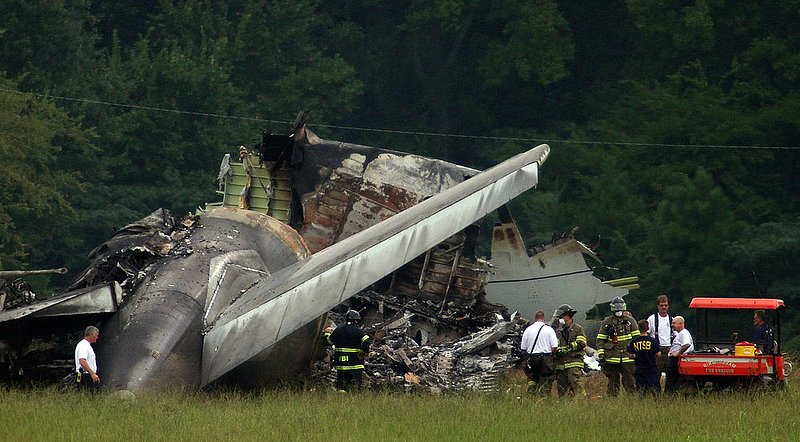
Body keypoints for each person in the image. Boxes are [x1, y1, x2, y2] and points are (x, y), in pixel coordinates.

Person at [595, 296, 637, 396]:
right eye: (616, 308)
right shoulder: (607, 322)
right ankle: (612, 401)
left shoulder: (631, 321)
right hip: (612, 357)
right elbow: (600, 339)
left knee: (630, 381)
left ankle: (633, 400)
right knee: (613, 383)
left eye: (620, 308)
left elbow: (637, 339)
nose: (618, 310)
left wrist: (636, 353)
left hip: (628, 357)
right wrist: (601, 353)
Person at [324, 309, 372, 392]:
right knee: (355, 388)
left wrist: (327, 333)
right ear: (356, 321)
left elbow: (328, 342)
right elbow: (367, 343)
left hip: (341, 365)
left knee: (342, 388)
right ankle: (353, 402)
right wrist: (364, 352)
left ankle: (342, 402)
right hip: (356, 365)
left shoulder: (338, 331)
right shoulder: (359, 332)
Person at [520, 310, 559, 396]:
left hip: (532, 359)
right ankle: (544, 399)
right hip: (545, 359)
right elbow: (555, 346)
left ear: (535, 318)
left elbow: (523, 347)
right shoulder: (549, 330)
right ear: (543, 318)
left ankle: (531, 397)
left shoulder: (528, 330)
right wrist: (552, 357)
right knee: (546, 380)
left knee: (533, 379)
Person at [553, 304, 587, 398]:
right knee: (561, 390)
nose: (560, 318)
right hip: (560, 364)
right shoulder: (558, 330)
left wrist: (569, 347)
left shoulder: (578, 329)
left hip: (574, 362)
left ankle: (583, 404)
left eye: (562, 316)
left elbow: (581, 343)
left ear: (568, 316)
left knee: (577, 385)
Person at [628, 319, 661, 396]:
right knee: (654, 387)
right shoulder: (652, 341)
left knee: (641, 388)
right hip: (651, 368)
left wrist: (634, 356)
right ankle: (657, 401)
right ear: (648, 328)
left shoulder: (634, 341)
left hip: (639, 368)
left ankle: (643, 401)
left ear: (638, 328)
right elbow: (658, 354)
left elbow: (630, 355)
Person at [646, 294, 674, 382]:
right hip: (656, 351)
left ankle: (668, 394)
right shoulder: (652, 319)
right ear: (658, 306)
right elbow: (646, 334)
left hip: (669, 350)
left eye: (666, 305)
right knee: (655, 375)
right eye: (662, 305)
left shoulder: (671, 319)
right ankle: (655, 394)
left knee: (670, 375)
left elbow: (676, 335)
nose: (664, 307)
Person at [665, 315, 693, 393]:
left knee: (672, 379)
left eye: (674, 323)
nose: (672, 325)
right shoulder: (680, 334)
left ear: (680, 324)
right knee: (672, 380)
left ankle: (670, 396)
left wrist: (677, 354)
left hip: (676, 360)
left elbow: (687, 344)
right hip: (675, 359)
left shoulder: (683, 333)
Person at [74, 326, 100, 391]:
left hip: (88, 374)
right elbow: (82, 361)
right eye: (96, 335)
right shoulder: (83, 346)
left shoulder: (86, 345)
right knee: (89, 395)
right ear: (92, 335)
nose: (97, 338)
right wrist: (92, 374)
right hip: (86, 376)